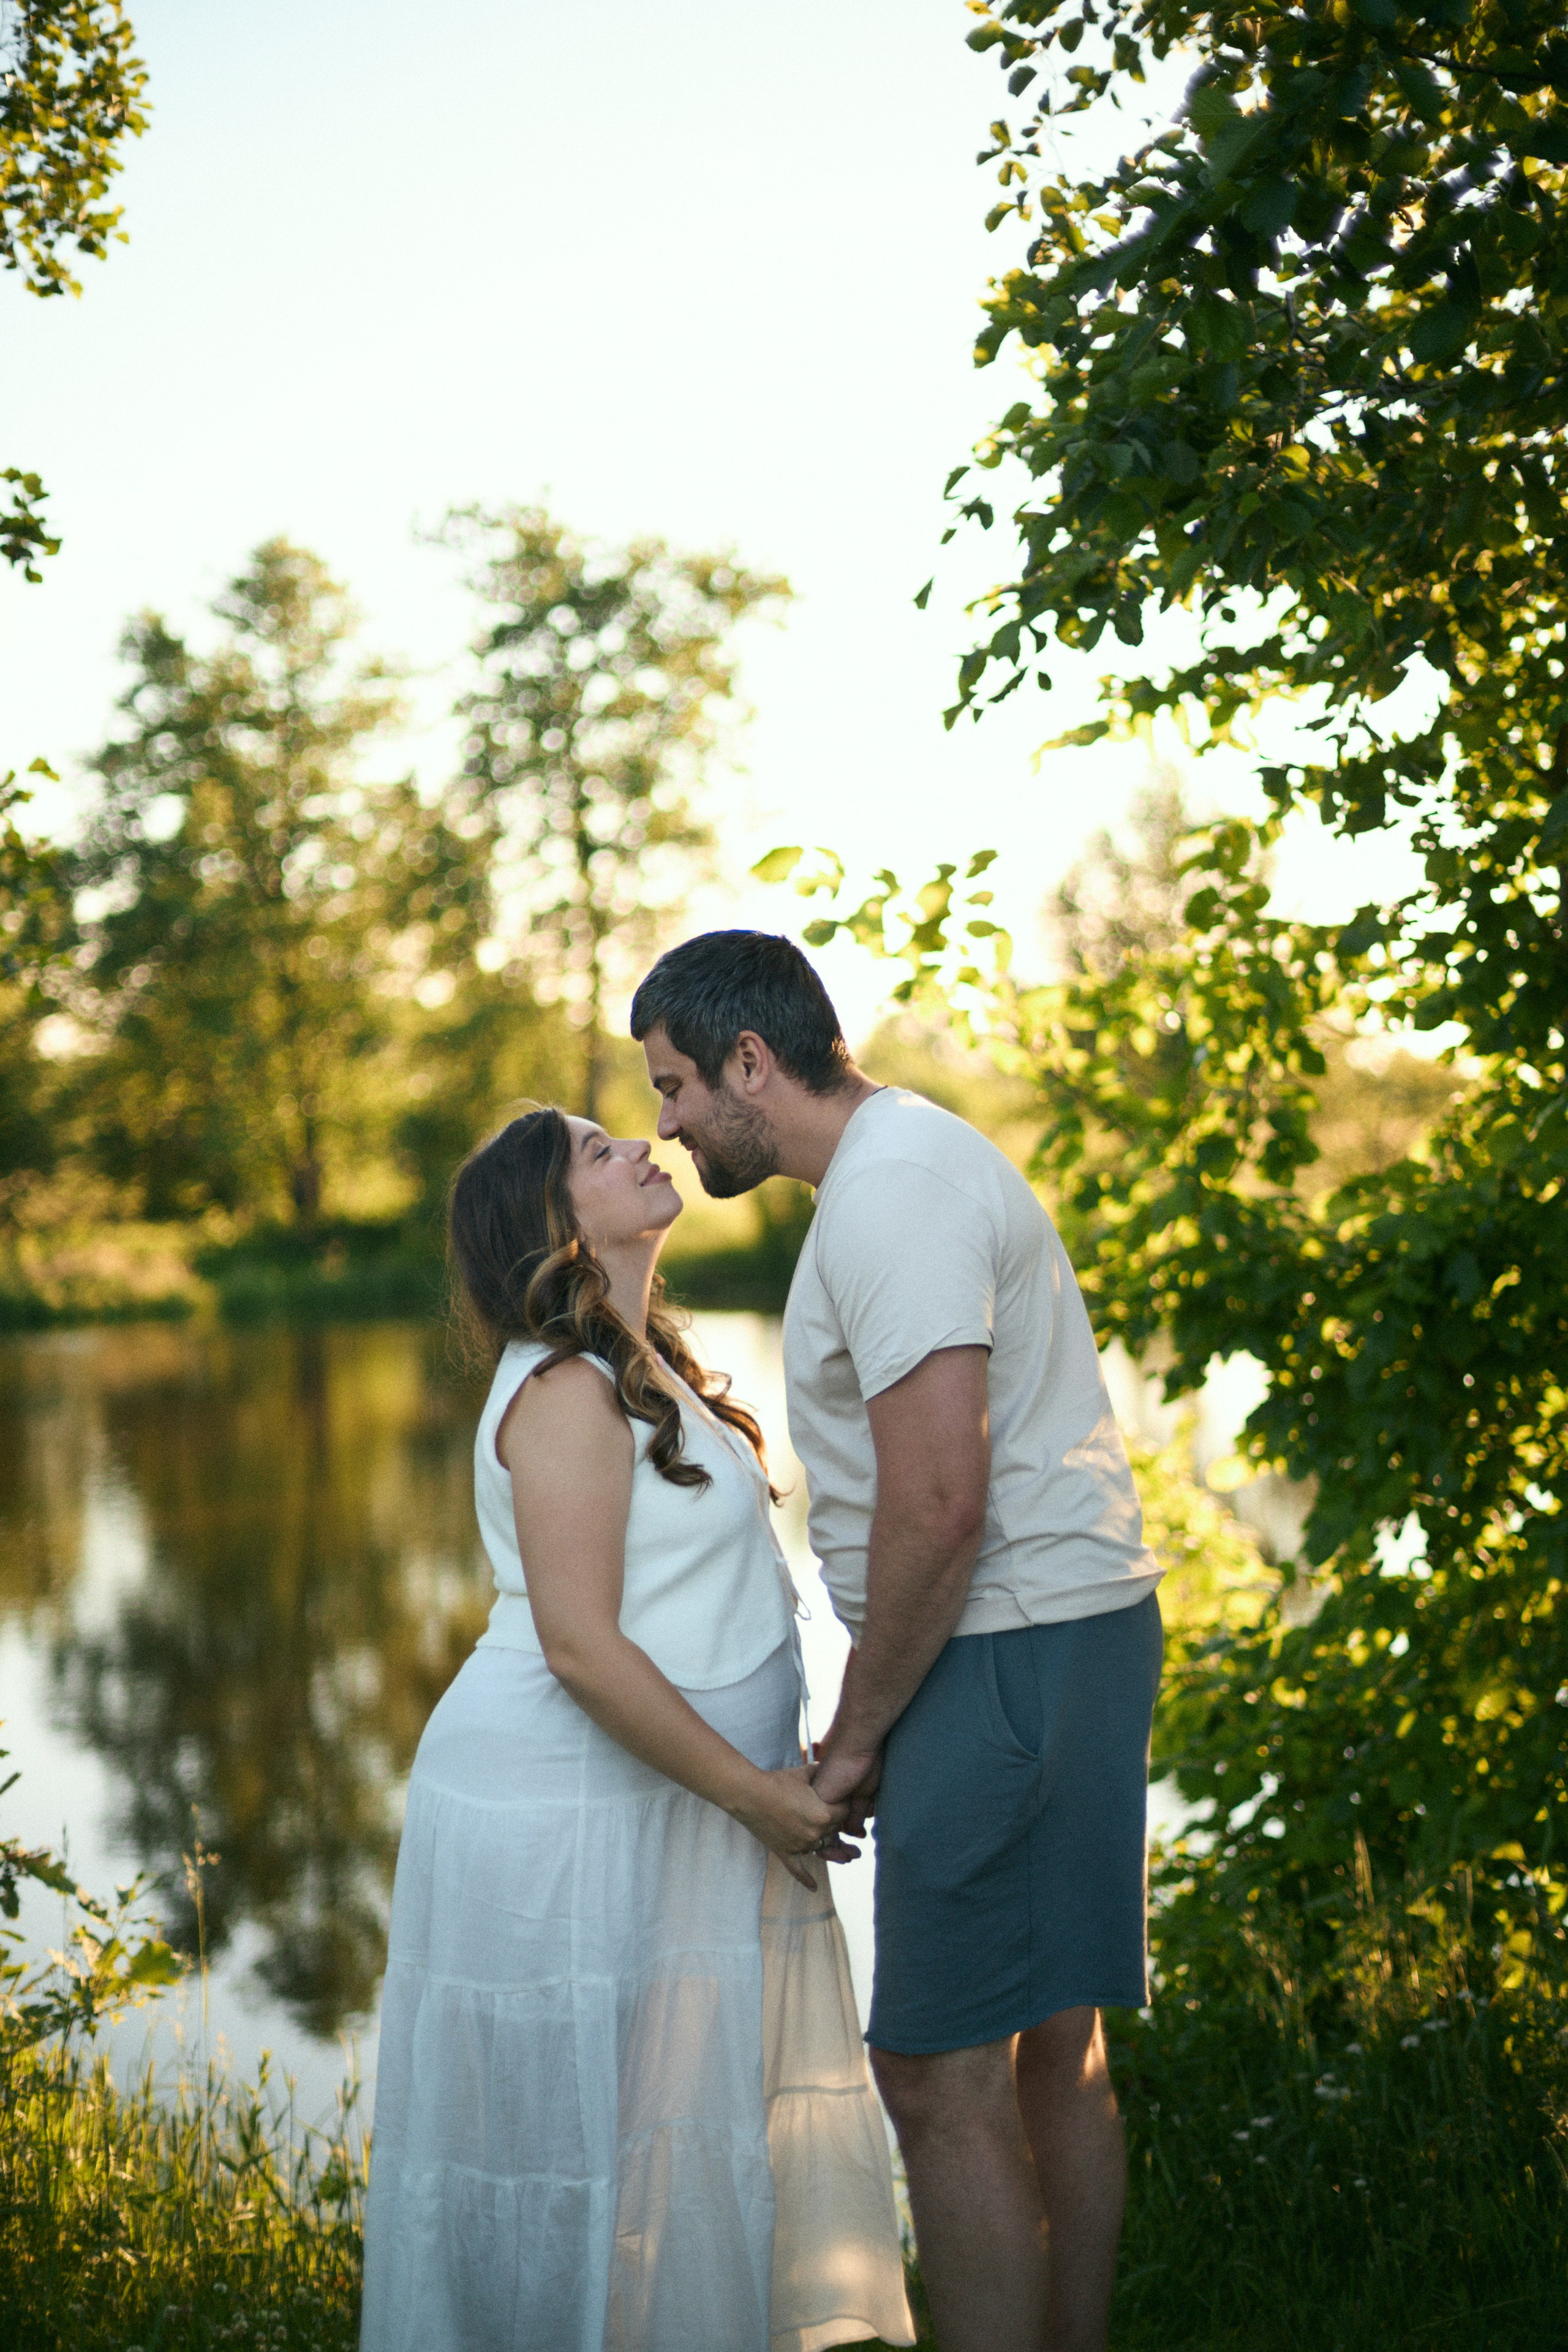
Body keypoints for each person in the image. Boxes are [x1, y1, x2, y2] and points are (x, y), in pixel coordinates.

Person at [631, 932, 1165, 2352]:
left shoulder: (891, 1197)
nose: (668, 1125)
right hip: (1051, 1638)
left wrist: (859, 1731)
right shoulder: (900, 1165)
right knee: (1052, 2049)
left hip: (1001, 1655)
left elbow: (939, 1497)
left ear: (753, 1060)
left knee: (933, 2073)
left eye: (678, 1084)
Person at [360, 1106, 912, 2352]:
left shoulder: (639, 1358)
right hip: (567, 1812)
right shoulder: (561, 1387)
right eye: (596, 1152)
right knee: (581, 2148)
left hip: (674, 1804)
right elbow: (580, 1648)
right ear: (555, 1223)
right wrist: (754, 1794)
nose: (638, 1149)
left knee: (671, 2137)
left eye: (628, 1133)